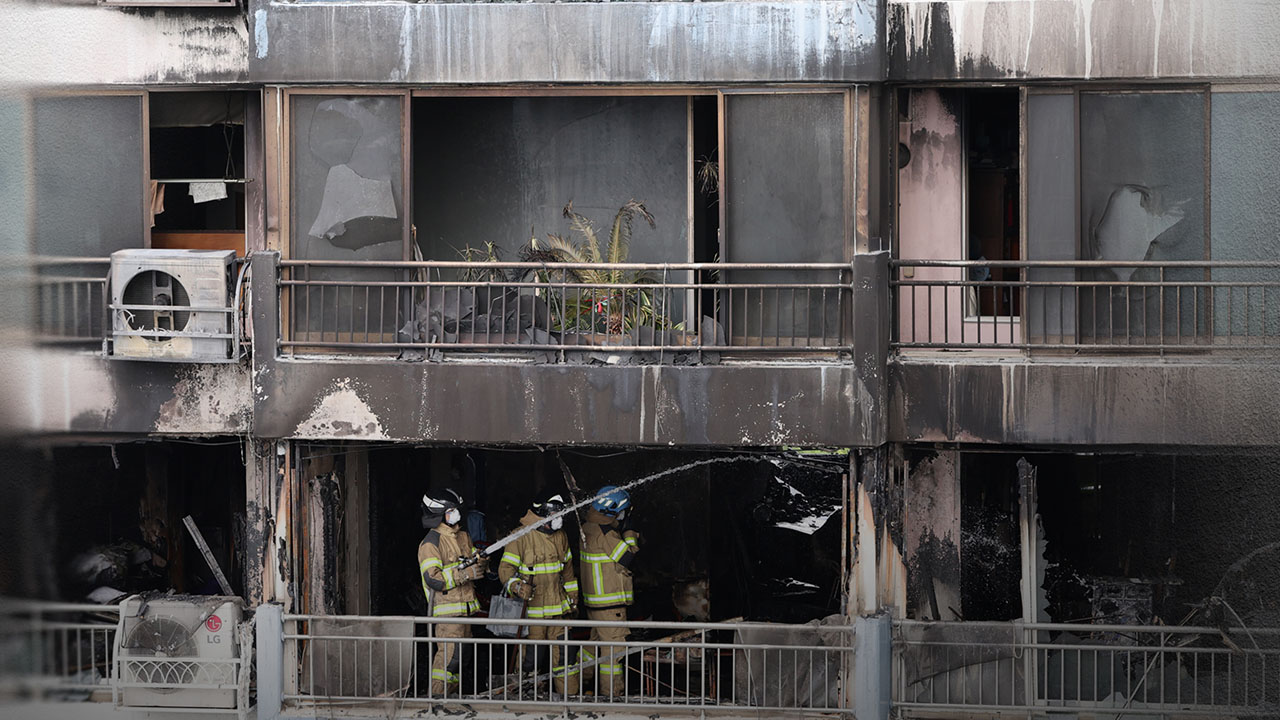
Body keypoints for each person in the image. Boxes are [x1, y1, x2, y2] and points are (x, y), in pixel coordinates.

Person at [498, 494, 580, 696]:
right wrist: (516, 586)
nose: (560, 519)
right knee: (530, 661)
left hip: (559, 611)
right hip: (532, 614)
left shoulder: (561, 536)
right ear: (542, 516)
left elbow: (568, 570)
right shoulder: (520, 536)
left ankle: (570, 703)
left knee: (565, 660)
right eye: (556, 514)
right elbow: (505, 569)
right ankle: (526, 702)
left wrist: (573, 595)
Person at [418, 488, 485, 697]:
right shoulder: (431, 542)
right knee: (448, 660)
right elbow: (433, 579)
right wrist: (464, 574)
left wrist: (480, 562)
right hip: (447, 614)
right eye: (451, 510)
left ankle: (450, 699)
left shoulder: (463, 536)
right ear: (439, 514)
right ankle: (437, 700)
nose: (456, 514)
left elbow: (474, 560)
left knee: (460, 660)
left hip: (466, 611)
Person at [578, 486, 640, 697]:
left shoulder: (588, 526)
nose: (624, 516)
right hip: (610, 606)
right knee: (613, 653)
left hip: (595, 604)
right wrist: (630, 533)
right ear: (612, 510)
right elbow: (628, 558)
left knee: (593, 646)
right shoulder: (607, 533)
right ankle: (611, 696)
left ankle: (575, 685)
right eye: (623, 512)